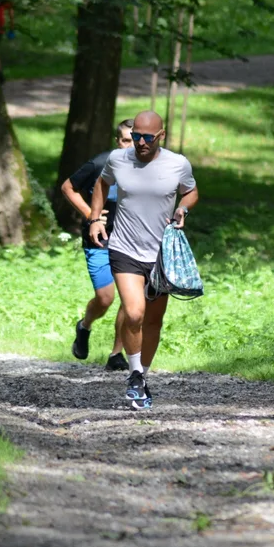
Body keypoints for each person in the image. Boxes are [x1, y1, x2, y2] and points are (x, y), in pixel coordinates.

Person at [89, 110, 198, 410]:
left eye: (148, 137)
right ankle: (134, 375)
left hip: (160, 253)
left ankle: (142, 377)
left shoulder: (177, 164)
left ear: (161, 136)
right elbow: (101, 184)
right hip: (124, 248)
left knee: (153, 320)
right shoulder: (118, 159)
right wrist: (95, 218)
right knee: (134, 313)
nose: (140, 142)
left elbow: (190, 191)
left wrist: (183, 209)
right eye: (136, 136)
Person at [60, 118, 134, 371]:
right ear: (117, 141)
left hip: (130, 240)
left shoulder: (145, 169)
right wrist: (90, 214)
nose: (129, 146)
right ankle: (85, 326)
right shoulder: (101, 163)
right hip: (99, 239)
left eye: (134, 141)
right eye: (125, 140)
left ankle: (116, 354)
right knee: (105, 298)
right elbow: (68, 187)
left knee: (129, 297)